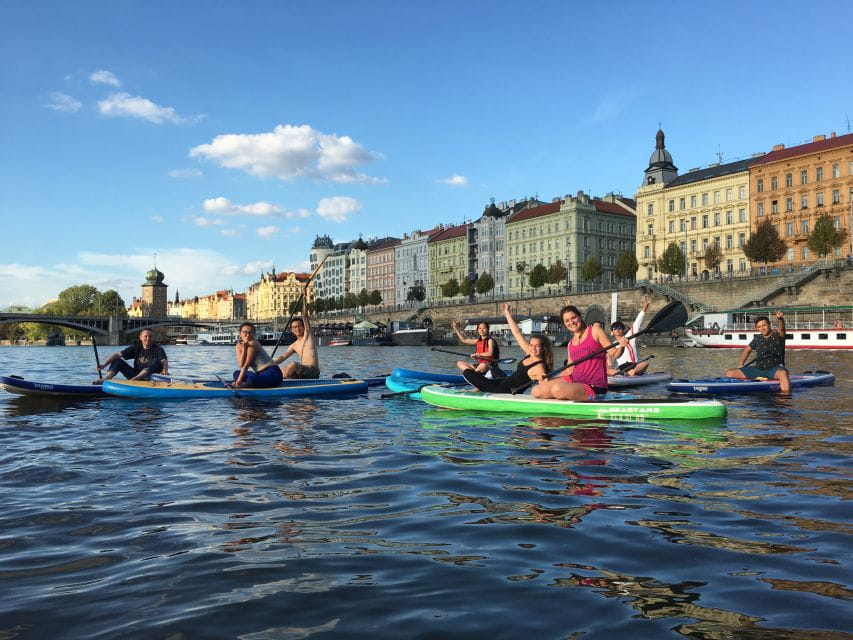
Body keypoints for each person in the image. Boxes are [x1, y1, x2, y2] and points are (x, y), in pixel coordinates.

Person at [533, 305, 627, 401]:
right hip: (574, 380)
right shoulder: (570, 344)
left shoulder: (595, 330)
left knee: (557, 389)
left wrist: (622, 346)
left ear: (580, 316)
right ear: (565, 324)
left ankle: (584, 396)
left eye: (573, 318)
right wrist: (549, 377)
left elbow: (614, 353)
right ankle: (567, 395)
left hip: (594, 385)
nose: (571, 322)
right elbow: (568, 371)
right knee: (537, 390)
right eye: (567, 321)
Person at [462, 303, 552, 393]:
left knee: (467, 372)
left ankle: (477, 389)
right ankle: (478, 388)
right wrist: (507, 311)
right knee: (492, 371)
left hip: (502, 391)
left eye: (537, 346)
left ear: (544, 348)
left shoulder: (540, 367)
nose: (533, 348)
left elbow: (544, 387)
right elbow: (516, 332)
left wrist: (544, 381)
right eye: (531, 345)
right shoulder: (530, 352)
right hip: (503, 382)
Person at [724, 310, 790, 392]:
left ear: (769, 325)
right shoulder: (757, 338)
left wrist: (780, 319)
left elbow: (782, 329)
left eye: (764, 325)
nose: (762, 328)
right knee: (729, 373)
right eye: (759, 327)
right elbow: (747, 349)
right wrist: (741, 364)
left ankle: (785, 399)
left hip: (774, 369)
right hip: (758, 369)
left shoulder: (778, 335)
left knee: (783, 373)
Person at [95, 328, 168, 383]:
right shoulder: (136, 347)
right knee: (117, 361)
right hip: (134, 375)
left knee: (156, 361)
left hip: (149, 378)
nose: (148, 339)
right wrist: (104, 365)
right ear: (140, 337)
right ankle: (105, 379)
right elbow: (117, 355)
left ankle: (135, 380)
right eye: (145, 336)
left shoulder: (158, 349)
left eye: (150, 336)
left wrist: (165, 370)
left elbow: (164, 361)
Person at [607, 294, 651, 377]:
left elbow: (637, 323)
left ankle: (632, 372)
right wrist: (609, 365)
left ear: (623, 329)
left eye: (620, 327)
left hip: (634, 365)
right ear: (612, 331)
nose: (618, 329)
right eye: (615, 328)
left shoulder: (630, 336)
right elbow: (609, 355)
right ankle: (625, 373)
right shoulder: (613, 344)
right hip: (622, 367)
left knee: (645, 363)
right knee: (608, 368)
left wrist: (645, 308)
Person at [278, 296, 320, 379]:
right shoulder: (294, 345)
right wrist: (269, 365)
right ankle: (285, 381)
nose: (297, 328)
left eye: (300, 326)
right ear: (292, 330)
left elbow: (305, 316)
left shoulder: (308, 335)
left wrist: (304, 299)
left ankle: (285, 379)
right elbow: (283, 357)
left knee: (293, 365)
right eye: (295, 327)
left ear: (304, 327)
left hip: (313, 371)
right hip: (302, 372)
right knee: (280, 369)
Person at [232, 322, 284, 388]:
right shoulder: (238, 346)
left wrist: (238, 382)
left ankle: (246, 384)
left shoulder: (253, 343)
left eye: (250, 332)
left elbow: (246, 365)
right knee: (236, 373)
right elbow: (241, 365)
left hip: (273, 373)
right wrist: (244, 348)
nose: (248, 335)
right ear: (240, 334)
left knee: (251, 379)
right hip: (260, 374)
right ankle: (247, 383)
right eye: (245, 332)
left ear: (254, 335)